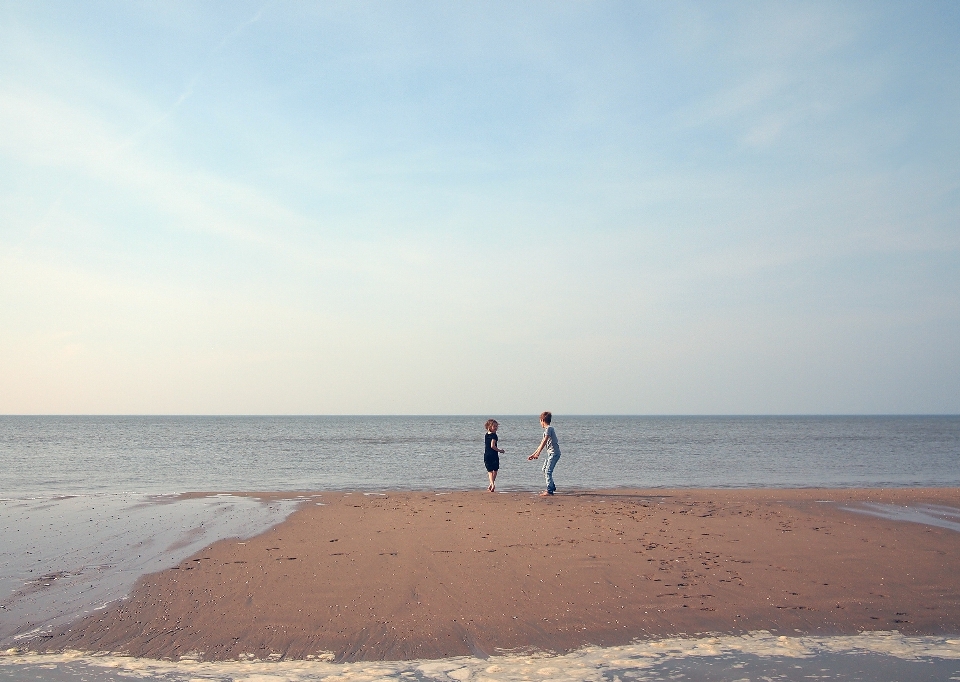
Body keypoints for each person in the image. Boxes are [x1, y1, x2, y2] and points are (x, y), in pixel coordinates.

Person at [527, 411, 561, 496]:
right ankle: (552, 486)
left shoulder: (549, 429)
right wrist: (534, 454)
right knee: (544, 469)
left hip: (554, 453)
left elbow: (544, 441)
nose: (540, 423)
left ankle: (549, 490)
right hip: (550, 453)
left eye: (540, 421)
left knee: (548, 471)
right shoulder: (547, 430)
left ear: (542, 420)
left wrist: (538, 454)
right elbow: (541, 444)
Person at [483, 419, 505, 492]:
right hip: (493, 455)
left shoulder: (486, 435)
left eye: (496, 426)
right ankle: (492, 484)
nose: (496, 428)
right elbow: (492, 446)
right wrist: (500, 450)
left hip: (486, 455)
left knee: (490, 471)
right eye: (494, 426)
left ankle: (491, 484)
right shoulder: (494, 436)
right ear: (489, 427)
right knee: (495, 470)